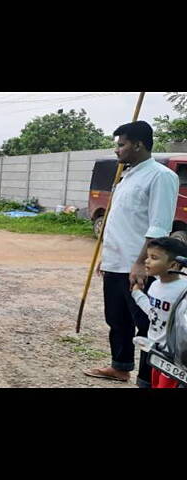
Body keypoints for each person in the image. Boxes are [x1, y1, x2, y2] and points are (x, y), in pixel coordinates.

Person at [84, 121, 179, 387]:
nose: (117, 150)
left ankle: (147, 378)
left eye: (121, 144)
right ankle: (120, 366)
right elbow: (122, 222)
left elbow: (158, 226)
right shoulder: (126, 176)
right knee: (117, 319)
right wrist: (108, 255)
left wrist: (140, 263)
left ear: (138, 144)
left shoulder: (160, 176)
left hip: (140, 266)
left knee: (148, 325)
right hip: (116, 262)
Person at [131, 237, 187, 388]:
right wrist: (137, 295)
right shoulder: (155, 286)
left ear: (173, 264)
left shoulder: (183, 289)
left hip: (174, 356)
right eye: (148, 256)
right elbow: (153, 313)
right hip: (156, 350)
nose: (147, 261)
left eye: (154, 258)